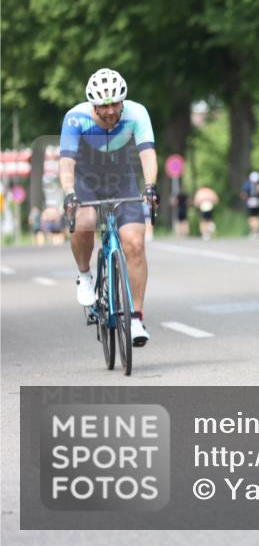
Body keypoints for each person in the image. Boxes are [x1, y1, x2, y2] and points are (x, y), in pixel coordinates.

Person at [59, 68, 158, 347]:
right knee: (85, 220)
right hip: (86, 180)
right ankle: (84, 275)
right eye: (104, 104)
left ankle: (136, 317)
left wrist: (149, 186)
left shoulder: (137, 114)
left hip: (122, 181)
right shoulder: (75, 118)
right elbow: (66, 162)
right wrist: (69, 192)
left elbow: (147, 152)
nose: (111, 109)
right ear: (93, 104)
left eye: (116, 102)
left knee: (135, 244)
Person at [241, 171, 259, 238]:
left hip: (250, 201)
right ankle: (257, 231)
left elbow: (244, 194)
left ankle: (253, 231)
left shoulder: (247, 184)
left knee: (251, 217)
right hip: (258, 201)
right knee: (257, 217)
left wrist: (245, 200)